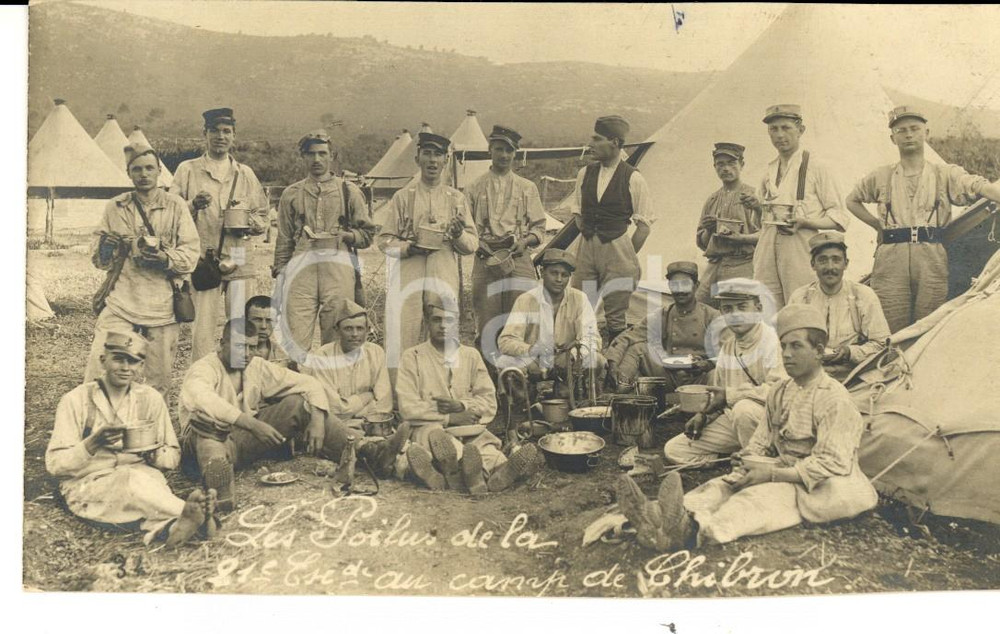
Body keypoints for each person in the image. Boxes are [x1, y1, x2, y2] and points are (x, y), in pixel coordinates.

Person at [617, 304, 877, 550]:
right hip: (784, 469)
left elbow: (831, 463)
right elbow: (761, 441)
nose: (787, 354)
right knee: (723, 485)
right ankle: (658, 516)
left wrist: (771, 474)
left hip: (824, 485)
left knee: (753, 500)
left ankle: (692, 531)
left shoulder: (834, 399)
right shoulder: (780, 391)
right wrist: (747, 459)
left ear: (819, 351)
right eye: (784, 346)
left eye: (796, 346)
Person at [179, 318, 406, 510]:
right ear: (222, 344)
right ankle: (219, 492)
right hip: (205, 443)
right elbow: (205, 399)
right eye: (240, 347)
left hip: (240, 440)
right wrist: (252, 424)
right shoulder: (203, 368)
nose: (247, 354)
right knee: (207, 423)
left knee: (297, 404)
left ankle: (370, 452)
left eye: (252, 347)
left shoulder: (255, 365)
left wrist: (317, 418)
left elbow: (308, 383)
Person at [47, 332, 215, 547]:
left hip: (146, 482)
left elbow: (172, 455)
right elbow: (55, 465)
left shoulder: (150, 399)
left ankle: (174, 527)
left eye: (133, 361)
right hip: (91, 485)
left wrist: (152, 454)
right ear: (103, 360)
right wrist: (92, 444)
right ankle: (191, 514)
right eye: (119, 359)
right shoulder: (76, 400)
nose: (126, 367)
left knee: (142, 486)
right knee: (130, 481)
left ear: (141, 366)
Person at [845, 106, 1000, 332]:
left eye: (914, 129)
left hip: (931, 256)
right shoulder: (881, 175)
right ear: (892, 138)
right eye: (901, 130)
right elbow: (852, 200)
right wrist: (877, 225)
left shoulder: (944, 173)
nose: (908, 135)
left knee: (927, 323)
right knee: (890, 322)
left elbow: (977, 185)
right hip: (891, 258)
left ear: (926, 133)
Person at [85, 141, 200, 396]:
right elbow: (99, 261)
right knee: (100, 368)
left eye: (149, 168)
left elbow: (191, 254)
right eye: (137, 169)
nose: (144, 174)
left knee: (158, 382)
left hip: (163, 305)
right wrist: (106, 248)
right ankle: (98, 416)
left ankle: (149, 420)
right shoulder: (116, 206)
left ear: (159, 171)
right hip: (123, 301)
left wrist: (164, 258)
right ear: (129, 173)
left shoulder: (176, 205)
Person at [397, 299, 543, 494]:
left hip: (469, 428)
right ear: (427, 322)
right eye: (437, 320)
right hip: (431, 428)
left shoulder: (471, 355)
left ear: (458, 323)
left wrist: (462, 406)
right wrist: (449, 417)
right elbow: (407, 407)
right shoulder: (412, 357)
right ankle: (474, 473)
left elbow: (489, 402)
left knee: (485, 448)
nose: (443, 326)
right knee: (441, 443)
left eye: (449, 320)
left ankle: (498, 471)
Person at [171, 107, 269, 363]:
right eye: (214, 130)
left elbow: (263, 215)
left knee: (241, 326)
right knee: (202, 330)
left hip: (239, 257)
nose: (220, 136)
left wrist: (246, 223)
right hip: (204, 259)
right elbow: (170, 214)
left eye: (226, 131)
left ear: (234, 135)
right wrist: (193, 205)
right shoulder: (187, 170)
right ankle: (203, 379)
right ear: (204, 133)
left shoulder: (244, 174)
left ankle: (239, 377)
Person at [378, 132, 479, 370]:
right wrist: (407, 247)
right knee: (403, 331)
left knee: (444, 332)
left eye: (438, 155)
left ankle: (442, 386)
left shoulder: (456, 199)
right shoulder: (403, 197)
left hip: (443, 269)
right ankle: (400, 387)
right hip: (409, 269)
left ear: (446, 160)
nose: (432, 160)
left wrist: (458, 234)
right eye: (427, 154)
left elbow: (472, 244)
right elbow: (383, 241)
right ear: (418, 159)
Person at [273, 129, 375, 354]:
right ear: (303, 156)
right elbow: (284, 239)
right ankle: (295, 375)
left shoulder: (349, 191)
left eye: (322, 153)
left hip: (338, 268)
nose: (316, 159)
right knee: (294, 339)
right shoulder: (291, 194)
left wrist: (348, 236)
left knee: (337, 338)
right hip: (301, 270)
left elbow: (368, 234)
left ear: (332, 156)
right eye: (311, 154)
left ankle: (334, 376)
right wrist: (280, 274)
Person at [662, 278, 785, 466]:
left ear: (758, 308)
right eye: (728, 309)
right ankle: (732, 458)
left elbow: (780, 393)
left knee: (744, 409)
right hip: (734, 420)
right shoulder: (728, 347)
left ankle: (760, 463)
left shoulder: (773, 342)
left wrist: (731, 395)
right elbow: (719, 397)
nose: (735, 315)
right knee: (675, 449)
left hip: (769, 423)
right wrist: (704, 415)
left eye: (742, 307)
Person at [742, 105, 849, 308]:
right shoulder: (768, 171)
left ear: (801, 130)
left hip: (800, 245)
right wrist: (756, 207)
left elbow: (839, 217)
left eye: (786, 128)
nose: (780, 135)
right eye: (774, 129)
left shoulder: (817, 167)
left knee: (801, 305)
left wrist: (805, 222)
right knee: (767, 305)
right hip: (767, 246)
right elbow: (762, 220)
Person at [570, 115, 655, 344]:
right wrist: (590, 234)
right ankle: (582, 357)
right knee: (580, 305)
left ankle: (616, 359)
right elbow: (577, 212)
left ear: (615, 143)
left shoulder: (633, 177)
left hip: (617, 249)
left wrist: (625, 255)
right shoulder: (585, 173)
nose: (591, 144)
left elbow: (644, 226)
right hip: (587, 248)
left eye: (597, 139)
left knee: (616, 315)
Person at [466, 125, 546, 347]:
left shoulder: (527, 187)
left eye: (509, 150)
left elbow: (539, 228)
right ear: (490, 150)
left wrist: (525, 241)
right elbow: (466, 229)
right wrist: (477, 243)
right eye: (499, 149)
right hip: (485, 258)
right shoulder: (473, 187)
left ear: (515, 153)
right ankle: (488, 367)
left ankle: (522, 365)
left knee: (523, 317)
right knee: (487, 321)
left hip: (518, 256)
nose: (504, 155)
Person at [787, 232, 890, 380]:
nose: (830, 267)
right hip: (809, 375)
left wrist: (850, 352)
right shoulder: (800, 297)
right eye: (822, 260)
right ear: (813, 264)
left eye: (836, 260)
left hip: (854, 377)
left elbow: (883, 345)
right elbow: (786, 343)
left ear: (846, 263)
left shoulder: (863, 295)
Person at [604, 261, 719, 392]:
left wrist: (708, 363)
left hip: (699, 378)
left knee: (715, 373)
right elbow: (628, 337)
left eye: (685, 284)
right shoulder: (662, 315)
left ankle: (711, 402)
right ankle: (620, 391)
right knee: (637, 348)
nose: (680, 290)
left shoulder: (711, 316)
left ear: (696, 286)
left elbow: (728, 350)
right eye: (675, 285)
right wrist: (613, 363)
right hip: (667, 375)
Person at [496, 249, 603, 387]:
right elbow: (506, 341)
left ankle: (571, 390)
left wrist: (571, 355)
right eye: (554, 273)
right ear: (542, 272)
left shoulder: (579, 299)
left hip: (567, 363)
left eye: (564, 275)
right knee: (505, 362)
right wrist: (531, 350)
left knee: (596, 360)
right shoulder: (526, 300)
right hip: (534, 361)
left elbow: (593, 338)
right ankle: (526, 396)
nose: (559, 279)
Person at [302, 298, 393, 424]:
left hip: (369, 424)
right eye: (348, 328)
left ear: (367, 330)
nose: (355, 334)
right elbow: (333, 408)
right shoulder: (323, 357)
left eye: (360, 328)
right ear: (337, 330)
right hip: (333, 425)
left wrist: (356, 415)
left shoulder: (376, 353)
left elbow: (384, 404)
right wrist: (366, 397)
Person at [695, 143, 761, 306]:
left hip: (744, 264)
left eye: (731, 163)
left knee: (736, 308)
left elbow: (767, 236)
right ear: (714, 167)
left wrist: (741, 238)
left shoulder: (753, 196)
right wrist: (709, 230)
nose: (725, 168)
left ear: (742, 164)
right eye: (720, 164)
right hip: (715, 265)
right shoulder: (712, 200)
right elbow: (702, 243)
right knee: (701, 306)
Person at [244, 295, 288, 365]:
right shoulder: (231, 353)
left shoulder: (284, 356)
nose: (263, 326)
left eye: (269, 320)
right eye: (257, 320)